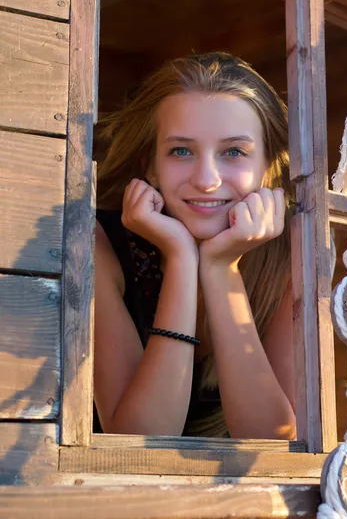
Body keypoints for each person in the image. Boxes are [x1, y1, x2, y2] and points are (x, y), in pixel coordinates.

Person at [94, 52, 296, 439]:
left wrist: (222, 268)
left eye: (234, 152)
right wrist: (181, 258)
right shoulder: (97, 244)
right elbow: (138, 439)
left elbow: (271, 442)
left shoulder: (291, 255)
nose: (206, 179)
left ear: (269, 165)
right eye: (181, 151)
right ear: (150, 165)